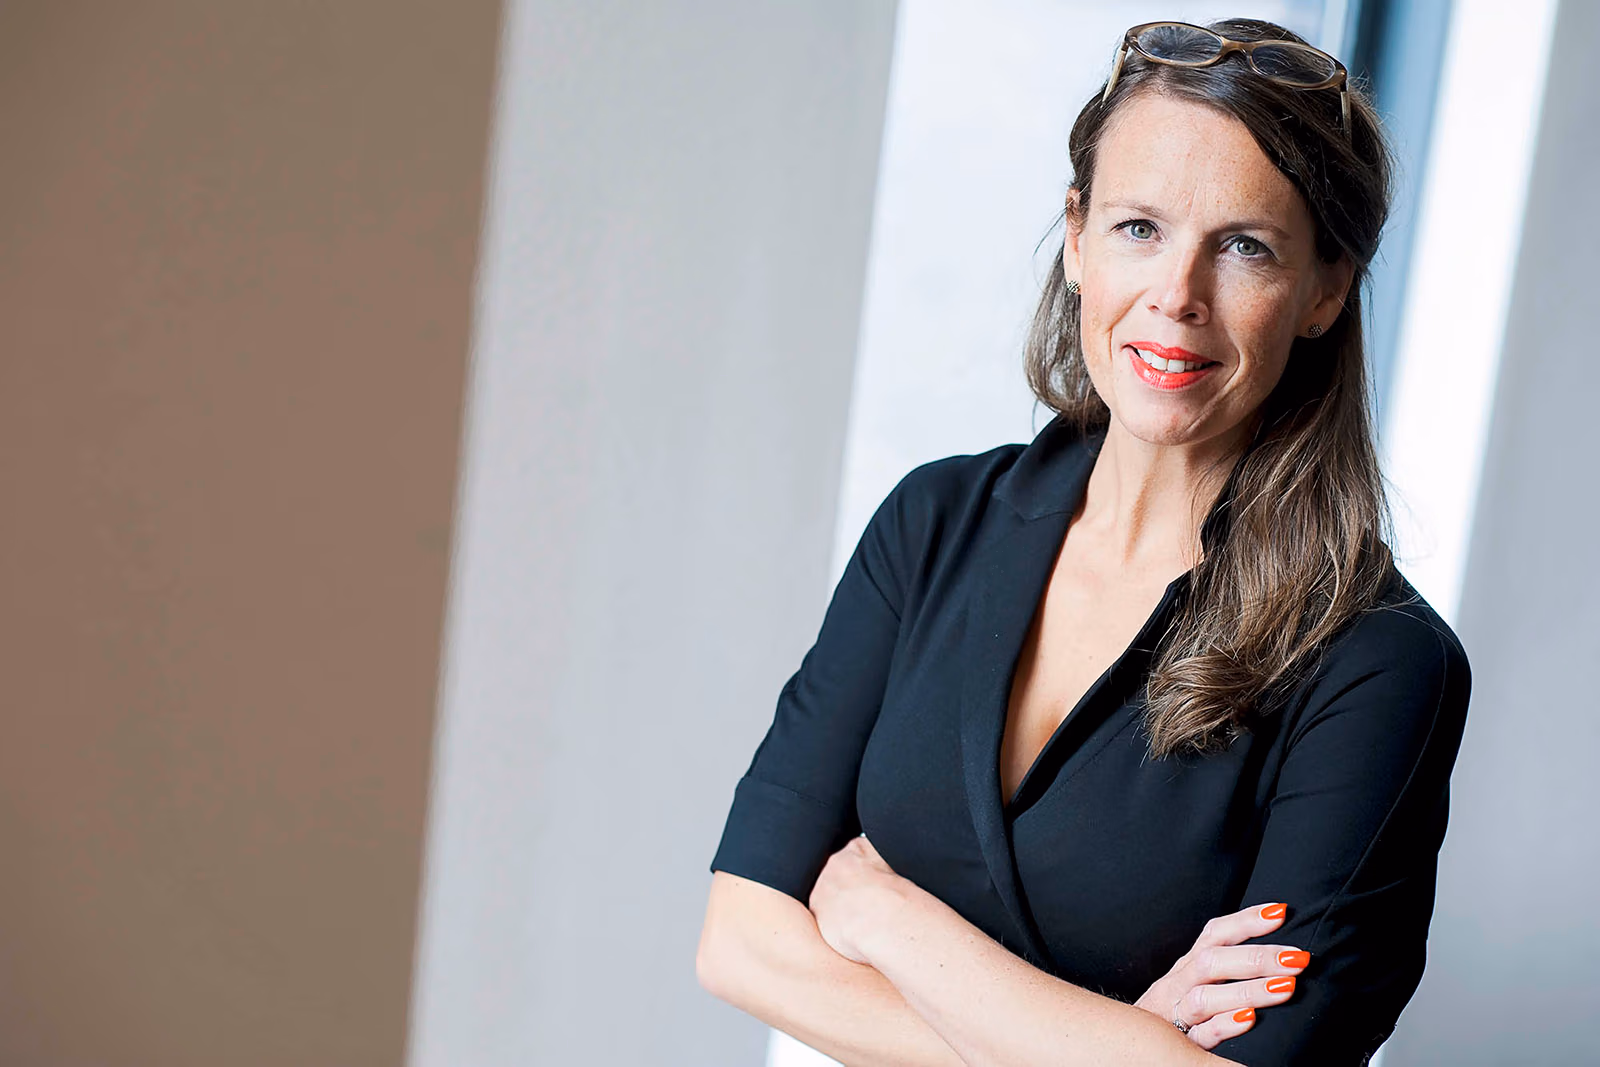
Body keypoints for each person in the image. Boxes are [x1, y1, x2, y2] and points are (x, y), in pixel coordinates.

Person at [697, 17, 1470, 1066]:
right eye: (1138, 227)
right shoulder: (934, 525)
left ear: (1325, 289)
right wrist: (1115, 1042)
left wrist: (883, 915)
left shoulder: (1379, 664)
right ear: (1076, 237)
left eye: (1244, 246)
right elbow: (740, 942)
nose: (1177, 296)